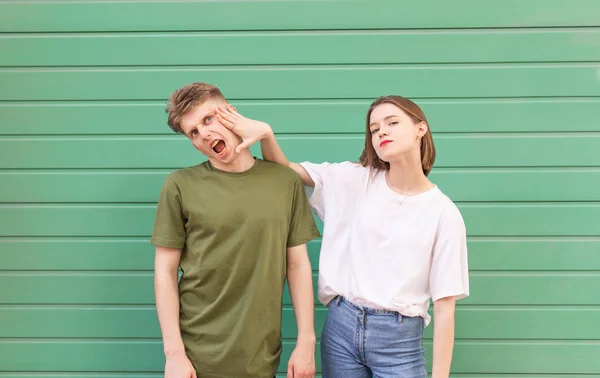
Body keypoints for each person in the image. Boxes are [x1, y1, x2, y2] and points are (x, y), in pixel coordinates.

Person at [214, 95, 470, 378]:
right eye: (374, 129)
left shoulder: (443, 213)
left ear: (420, 128)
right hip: (341, 328)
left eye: (392, 122)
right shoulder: (353, 179)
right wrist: (266, 134)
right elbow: (286, 172)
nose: (381, 131)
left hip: (399, 340)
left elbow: (446, 307)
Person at [151, 82, 321, 378]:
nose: (203, 133)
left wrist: (306, 340)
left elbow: (297, 264)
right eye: (193, 131)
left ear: (231, 113)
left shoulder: (284, 181)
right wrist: (174, 354)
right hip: (196, 357)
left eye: (208, 119)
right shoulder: (179, 185)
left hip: (261, 355)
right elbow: (164, 272)